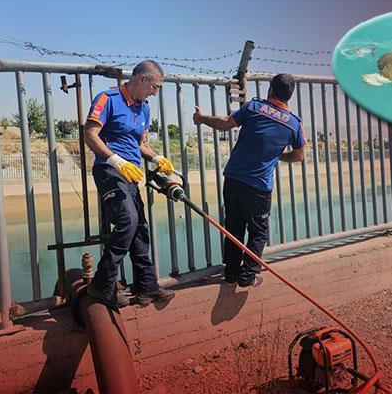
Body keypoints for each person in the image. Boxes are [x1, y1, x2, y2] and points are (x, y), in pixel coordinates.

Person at [193, 73, 306, 287]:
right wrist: (279, 156)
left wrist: (202, 118)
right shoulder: (294, 124)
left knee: (234, 227)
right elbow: (299, 155)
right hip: (259, 187)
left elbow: (226, 123)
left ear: (270, 90)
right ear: (289, 96)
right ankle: (248, 276)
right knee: (258, 232)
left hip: (233, 179)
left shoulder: (254, 108)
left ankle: (232, 273)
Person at [84, 60, 175, 309]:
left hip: (132, 175)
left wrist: (157, 157)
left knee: (139, 228)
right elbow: (90, 133)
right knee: (128, 221)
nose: (155, 92)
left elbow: (141, 144)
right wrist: (115, 160)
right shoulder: (108, 98)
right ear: (142, 79)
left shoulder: (144, 109)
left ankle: (146, 287)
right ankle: (102, 286)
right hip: (110, 172)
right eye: (155, 87)